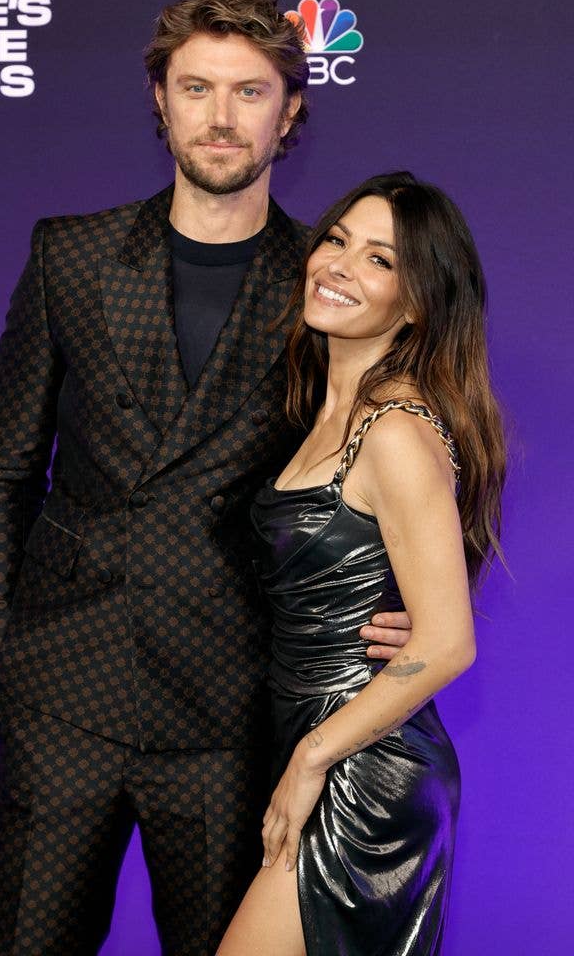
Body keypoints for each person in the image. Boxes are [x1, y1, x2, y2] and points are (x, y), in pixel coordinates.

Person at [0, 0, 411, 956]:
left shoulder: (325, 283)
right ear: (159, 103)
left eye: (249, 92)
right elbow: (4, 468)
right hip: (61, 692)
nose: (220, 117)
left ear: (290, 109)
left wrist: (419, 583)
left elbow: (408, 435)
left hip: (227, 702)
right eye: (196, 89)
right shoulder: (70, 257)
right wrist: (1, 654)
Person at [217, 172, 506, 956]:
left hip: (362, 771)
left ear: (415, 304)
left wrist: (312, 758)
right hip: (316, 743)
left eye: (380, 260)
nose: (340, 265)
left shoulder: (395, 431)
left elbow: (446, 642)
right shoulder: (327, 408)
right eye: (338, 239)